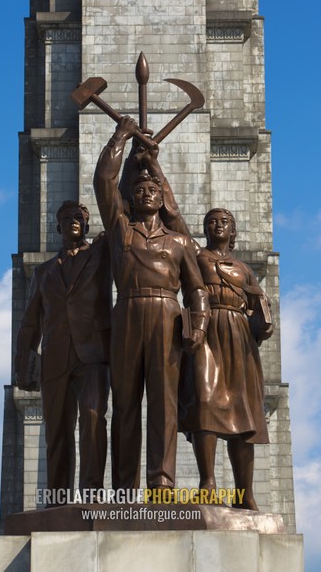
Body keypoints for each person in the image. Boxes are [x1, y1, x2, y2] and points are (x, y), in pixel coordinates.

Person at [94, 116, 209, 491]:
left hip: (167, 315)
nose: (146, 193)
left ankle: (161, 482)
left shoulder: (177, 243)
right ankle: (125, 487)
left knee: (164, 403)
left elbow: (196, 288)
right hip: (127, 311)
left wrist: (200, 325)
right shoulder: (120, 230)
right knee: (125, 402)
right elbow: (104, 182)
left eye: (153, 191)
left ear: (162, 199)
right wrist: (121, 137)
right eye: (140, 189)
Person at [14, 200, 111, 503]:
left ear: (87, 224)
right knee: (57, 430)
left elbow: (117, 202)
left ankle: (92, 493)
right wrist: (22, 366)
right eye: (66, 218)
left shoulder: (101, 255)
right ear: (57, 227)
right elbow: (29, 323)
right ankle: (57, 500)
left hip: (93, 354)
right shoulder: (43, 273)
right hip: (55, 359)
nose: (73, 221)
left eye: (79, 217)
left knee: (94, 421)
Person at [179, 208, 273, 510]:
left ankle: (244, 492)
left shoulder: (244, 269)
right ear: (205, 230)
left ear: (233, 231)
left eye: (225, 222)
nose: (218, 226)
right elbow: (174, 221)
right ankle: (207, 483)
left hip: (239, 336)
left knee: (243, 413)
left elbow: (259, 306)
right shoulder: (196, 255)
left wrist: (263, 319)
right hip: (206, 330)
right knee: (205, 401)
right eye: (211, 222)